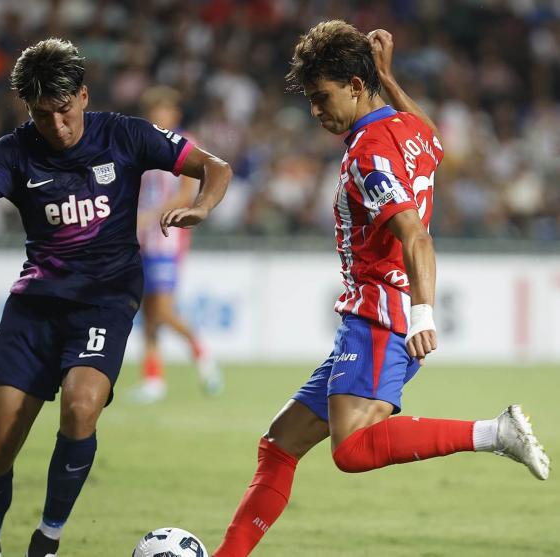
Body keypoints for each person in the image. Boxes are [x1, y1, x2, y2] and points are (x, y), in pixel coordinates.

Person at [212, 22, 549, 557]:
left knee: (352, 450)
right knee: (278, 444)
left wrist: (422, 314)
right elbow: (433, 139)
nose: (317, 112)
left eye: (322, 98)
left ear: (352, 83)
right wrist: (389, 79)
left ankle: (494, 433)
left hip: (379, 314)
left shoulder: (368, 152)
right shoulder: (408, 129)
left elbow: (414, 233)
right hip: (373, 315)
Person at [0, 38, 232, 557]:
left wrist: (201, 206)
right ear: (29, 110)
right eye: (44, 116)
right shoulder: (14, 150)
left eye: (64, 111)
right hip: (36, 304)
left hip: (105, 298)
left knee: (81, 405)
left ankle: (48, 539)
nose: (57, 126)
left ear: (83, 96)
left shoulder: (126, 135)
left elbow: (214, 167)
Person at [130, 86, 223, 404]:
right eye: (154, 110)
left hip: (166, 239)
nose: (159, 115)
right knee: (146, 310)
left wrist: (152, 216)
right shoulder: (141, 144)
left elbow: (187, 193)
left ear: (175, 114)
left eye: (165, 110)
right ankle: (153, 380)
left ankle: (202, 352)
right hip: (140, 238)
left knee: (163, 310)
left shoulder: (186, 145)